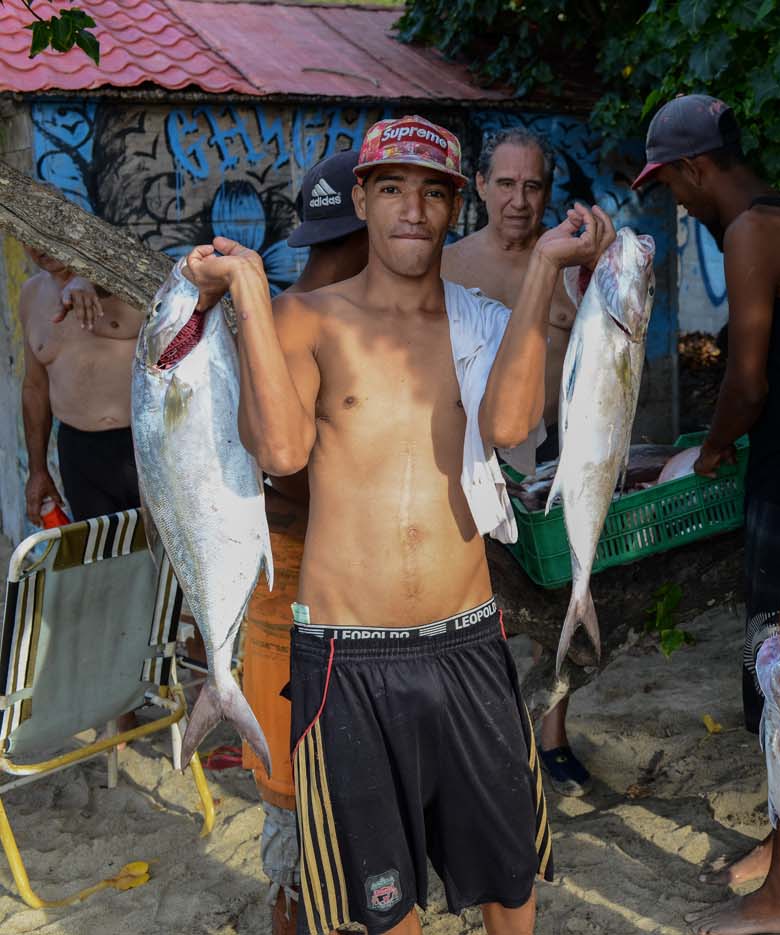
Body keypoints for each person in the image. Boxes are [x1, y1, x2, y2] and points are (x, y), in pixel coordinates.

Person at [182, 114, 615, 935]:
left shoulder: (478, 318)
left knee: (510, 875)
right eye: (391, 189)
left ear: (457, 205)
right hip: (346, 654)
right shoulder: (308, 317)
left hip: (465, 640)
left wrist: (550, 267)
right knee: (382, 901)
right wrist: (245, 290)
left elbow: (512, 424)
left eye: (431, 192)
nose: (412, 209)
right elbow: (278, 447)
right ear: (363, 200)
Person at [632, 93, 780, 935]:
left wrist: (714, 448)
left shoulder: (747, 232)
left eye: (672, 184)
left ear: (696, 168)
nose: (677, 201)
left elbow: (749, 379)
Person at [239, 148, 369, 935]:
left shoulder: (290, 309)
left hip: (290, 586)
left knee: (302, 793)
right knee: (299, 797)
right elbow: (284, 471)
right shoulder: (302, 321)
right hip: (294, 580)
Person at [441, 127, 592, 797]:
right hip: (471, 450)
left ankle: (552, 732)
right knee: (469, 601)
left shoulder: (570, 262)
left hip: (555, 450)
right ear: (480, 186)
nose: (519, 200)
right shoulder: (447, 264)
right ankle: (472, 737)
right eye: (505, 184)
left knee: (559, 597)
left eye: (533, 186)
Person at [20, 238, 143, 524]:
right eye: (28, 235)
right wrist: (36, 470)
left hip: (143, 445)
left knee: (168, 558)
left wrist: (91, 279)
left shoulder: (125, 278)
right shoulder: (31, 293)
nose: (41, 243)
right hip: (79, 453)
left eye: (47, 231)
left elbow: (176, 290)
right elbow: (34, 388)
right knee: (104, 561)